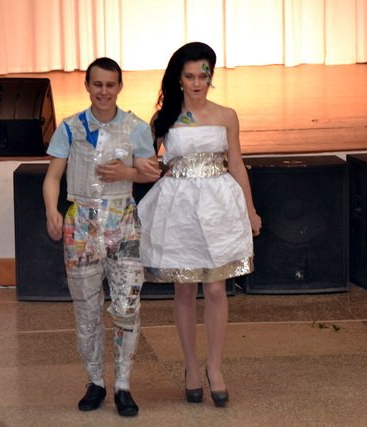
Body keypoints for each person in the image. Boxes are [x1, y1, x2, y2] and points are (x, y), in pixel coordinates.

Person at [138, 42, 262, 407]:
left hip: (217, 205)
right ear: (178, 79)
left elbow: (236, 163)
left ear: (211, 77)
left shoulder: (226, 115)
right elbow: (149, 166)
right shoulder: (165, 120)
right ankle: (191, 367)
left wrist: (250, 210)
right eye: (189, 76)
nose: (196, 83)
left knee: (217, 289)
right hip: (180, 208)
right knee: (184, 290)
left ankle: (215, 368)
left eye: (202, 76)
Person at [42, 57, 160, 417]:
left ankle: (123, 385)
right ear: (87, 86)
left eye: (110, 85)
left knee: (127, 307)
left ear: (120, 87)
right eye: (97, 84)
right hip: (80, 226)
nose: (104, 91)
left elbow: (151, 172)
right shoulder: (70, 128)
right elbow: (52, 176)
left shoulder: (136, 128)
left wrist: (126, 172)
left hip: (123, 224)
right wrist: (52, 211)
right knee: (86, 310)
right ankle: (95, 382)